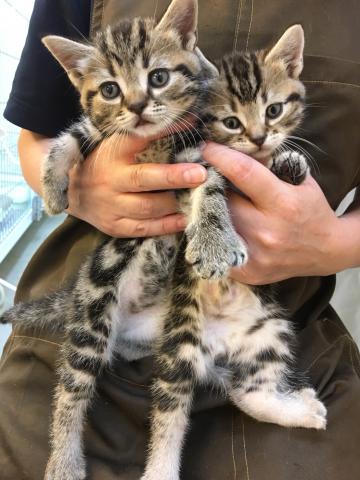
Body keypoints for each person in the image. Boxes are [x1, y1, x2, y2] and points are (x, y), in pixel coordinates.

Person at [1, 0, 360, 479]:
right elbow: (37, 140)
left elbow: (200, 174)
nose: (136, 103)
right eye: (114, 89)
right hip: (109, 277)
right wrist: (81, 192)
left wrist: (335, 244)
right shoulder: (158, 100)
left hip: (273, 312)